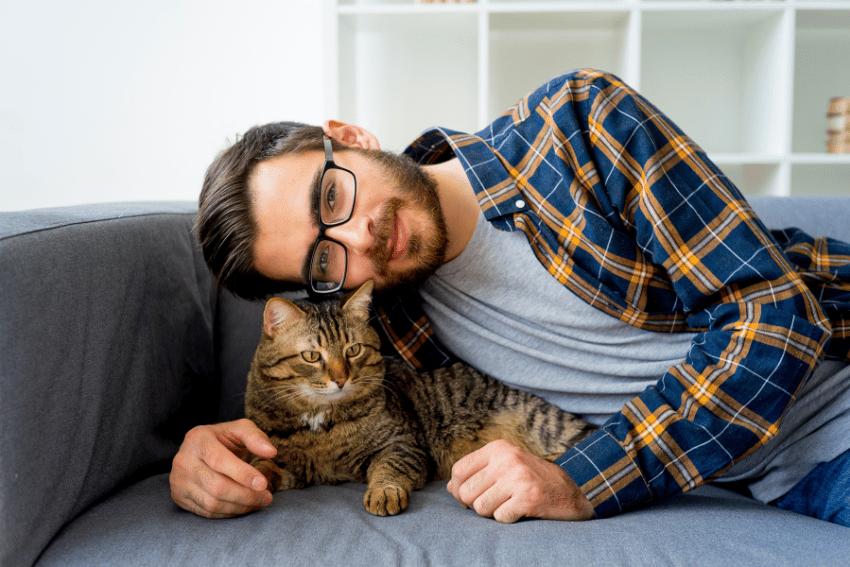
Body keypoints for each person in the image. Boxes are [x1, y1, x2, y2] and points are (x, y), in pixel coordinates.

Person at [170, 69, 850, 525]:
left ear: (349, 139)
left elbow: (775, 318)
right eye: (324, 257)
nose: (360, 235)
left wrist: (585, 478)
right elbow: (342, 407)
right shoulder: (392, 311)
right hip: (769, 480)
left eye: (332, 195)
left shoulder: (581, 125)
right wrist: (216, 449)